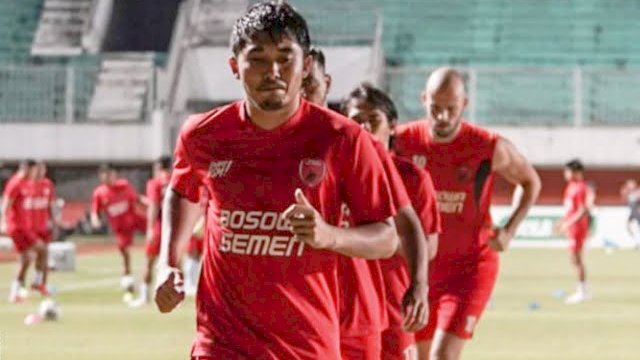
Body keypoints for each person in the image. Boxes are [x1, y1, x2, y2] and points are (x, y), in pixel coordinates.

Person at [154, 2, 399, 359]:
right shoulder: (202, 135)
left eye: (286, 57)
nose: (274, 71)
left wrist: (328, 235)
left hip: (306, 346)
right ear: (235, 66)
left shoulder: (343, 139)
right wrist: (168, 263)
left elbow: (386, 237)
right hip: (221, 344)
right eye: (258, 58)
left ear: (307, 66)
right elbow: (183, 191)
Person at [395, 67, 541, 360]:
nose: (443, 117)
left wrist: (510, 228)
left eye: (451, 109)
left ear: (465, 104)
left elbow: (530, 182)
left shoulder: (488, 147)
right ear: (424, 99)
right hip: (420, 268)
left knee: (443, 356)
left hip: (470, 268)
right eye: (436, 108)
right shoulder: (402, 141)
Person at [303, 50, 432, 359]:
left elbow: (407, 225)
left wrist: (418, 284)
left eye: (310, 81)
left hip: (361, 311)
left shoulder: (360, 145)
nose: (303, 89)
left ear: (326, 83)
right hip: (298, 314)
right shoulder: (270, 146)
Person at [340, 82, 441, 360]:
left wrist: (376, 240)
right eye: (356, 120)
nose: (364, 128)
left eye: (373, 120)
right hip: (344, 310)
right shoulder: (334, 172)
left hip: (394, 306)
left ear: (392, 125)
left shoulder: (412, 178)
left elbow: (429, 246)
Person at [91, 163, 146, 302]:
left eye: (110, 174)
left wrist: (149, 203)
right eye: (105, 174)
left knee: (156, 238)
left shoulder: (124, 185)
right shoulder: (100, 193)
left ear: (115, 175)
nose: (108, 177)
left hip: (135, 220)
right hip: (120, 228)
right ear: (101, 177)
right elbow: (95, 211)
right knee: (124, 253)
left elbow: (137, 199)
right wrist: (95, 220)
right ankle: (128, 280)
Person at [1, 160, 48, 302]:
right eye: (33, 170)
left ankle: (16, 291)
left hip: (24, 227)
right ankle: (37, 282)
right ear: (26, 169)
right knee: (42, 249)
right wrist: (3, 222)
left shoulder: (25, 183)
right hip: (17, 227)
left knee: (26, 259)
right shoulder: (15, 183)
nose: (35, 173)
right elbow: (6, 204)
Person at [130, 156, 172, 307]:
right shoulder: (176, 180)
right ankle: (177, 298)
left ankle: (144, 297)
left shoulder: (155, 183)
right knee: (175, 264)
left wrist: (149, 228)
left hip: (160, 227)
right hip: (175, 228)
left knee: (149, 261)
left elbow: (154, 205)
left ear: (158, 168)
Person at [557, 159, 592, 304]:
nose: (566, 174)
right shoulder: (570, 186)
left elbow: (583, 210)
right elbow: (570, 209)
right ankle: (582, 289)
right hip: (572, 226)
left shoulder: (581, 187)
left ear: (577, 172)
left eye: (568, 171)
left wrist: (568, 223)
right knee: (574, 259)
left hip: (577, 227)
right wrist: (562, 222)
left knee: (576, 258)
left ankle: (582, 291)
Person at [29, 161, 57, 294]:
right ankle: (22, 285)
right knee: (28, 256)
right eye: (38, 169)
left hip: (44, 226)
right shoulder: (27, 184)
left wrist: (54, 222)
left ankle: (41, 284)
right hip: (29, 227)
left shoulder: (48, 184)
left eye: (43, 169)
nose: (40, 171)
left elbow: (51, 205)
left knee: (44, 256)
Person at [621, 179, 640, 249]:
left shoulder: (637, 192)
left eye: (630, 184)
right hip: (632, 213)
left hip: (637, 213)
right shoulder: (628, 193)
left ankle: (637, 243)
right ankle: (636, 242)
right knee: (628, 226)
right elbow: (624, 197)